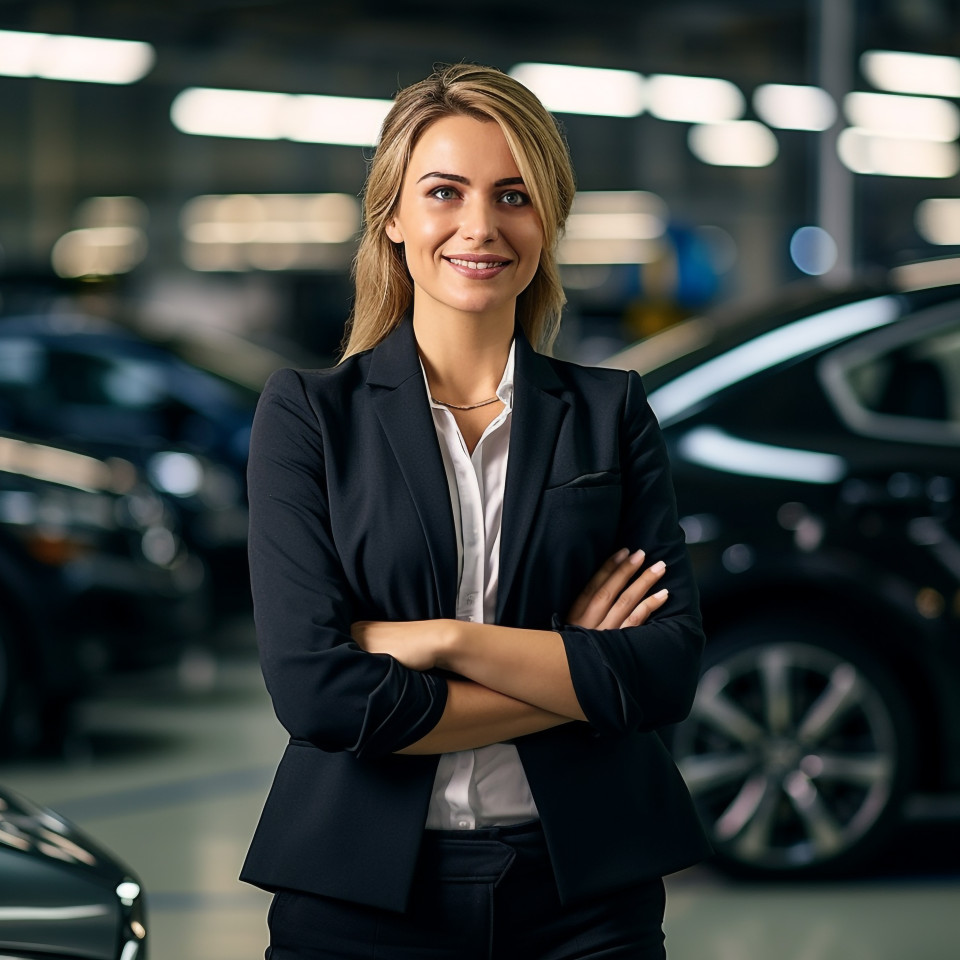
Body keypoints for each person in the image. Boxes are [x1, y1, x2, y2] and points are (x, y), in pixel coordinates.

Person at [241, 62, 711, 960]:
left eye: (514, 195)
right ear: (393, 216)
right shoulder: (308, 415)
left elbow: (661, 674)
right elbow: (320, 693)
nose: (480, 226)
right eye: (444, 192)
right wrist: (575, 674)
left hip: (585, 900)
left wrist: (441, 639)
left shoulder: (611, 413)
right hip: (359, 896)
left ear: (550, 219)